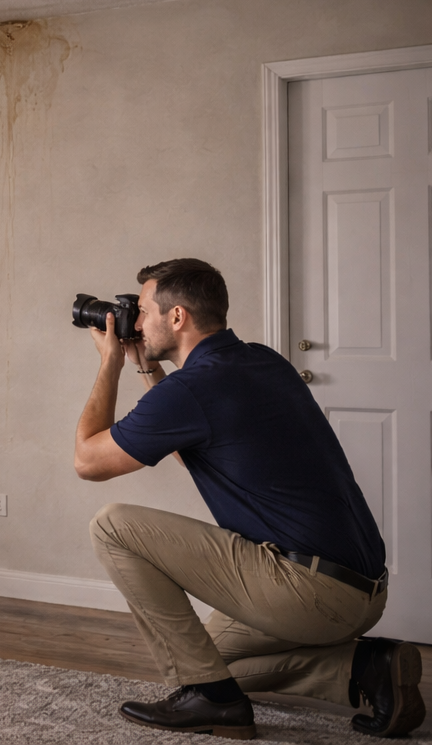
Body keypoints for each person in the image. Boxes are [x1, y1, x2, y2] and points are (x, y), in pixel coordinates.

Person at [74, 258, 424, 739]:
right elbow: (191, 447)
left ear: (177, 317)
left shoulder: (193, 388)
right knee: (208, 661)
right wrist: (147, 370)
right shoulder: (262, 360)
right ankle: (365, 667)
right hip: (361, 591)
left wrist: (110, 363)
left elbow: (88, 462)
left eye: (145, 310)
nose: (135, 322)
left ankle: (213, 704)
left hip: (306, 592)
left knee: (112, 524)